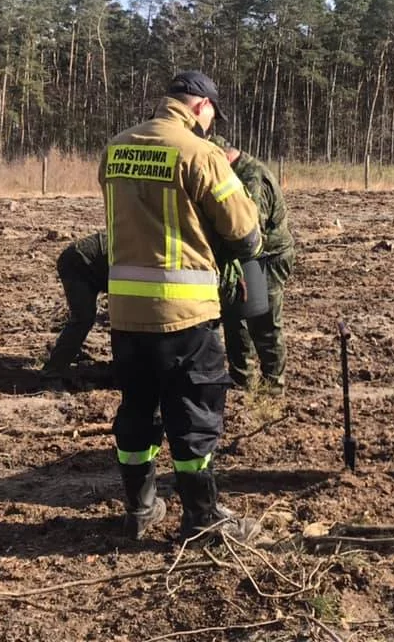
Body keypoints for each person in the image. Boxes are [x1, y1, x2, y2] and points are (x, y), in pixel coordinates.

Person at [100, 70, 262, 543]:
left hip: (126, 314)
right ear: (200, 107)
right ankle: (203, 517)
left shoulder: (117, 147)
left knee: (137, 412)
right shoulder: (200, 153)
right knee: (194, 418)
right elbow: (245, 232)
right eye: (212, 115)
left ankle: (139, 511)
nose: (212, 124)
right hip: (184, 314)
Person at [209, 136, 295, 394]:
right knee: (235, 317)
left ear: (223, 157)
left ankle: (273, 384)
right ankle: (241, 377)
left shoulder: (251, 177)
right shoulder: (232, 173)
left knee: (265, 320)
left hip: (268, 257)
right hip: (243, 257)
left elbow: (250, 230)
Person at [42, 231, 108, 374]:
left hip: (94, 264)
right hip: (77, 262)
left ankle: (71, 352)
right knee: (83, 319)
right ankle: (52, 372)